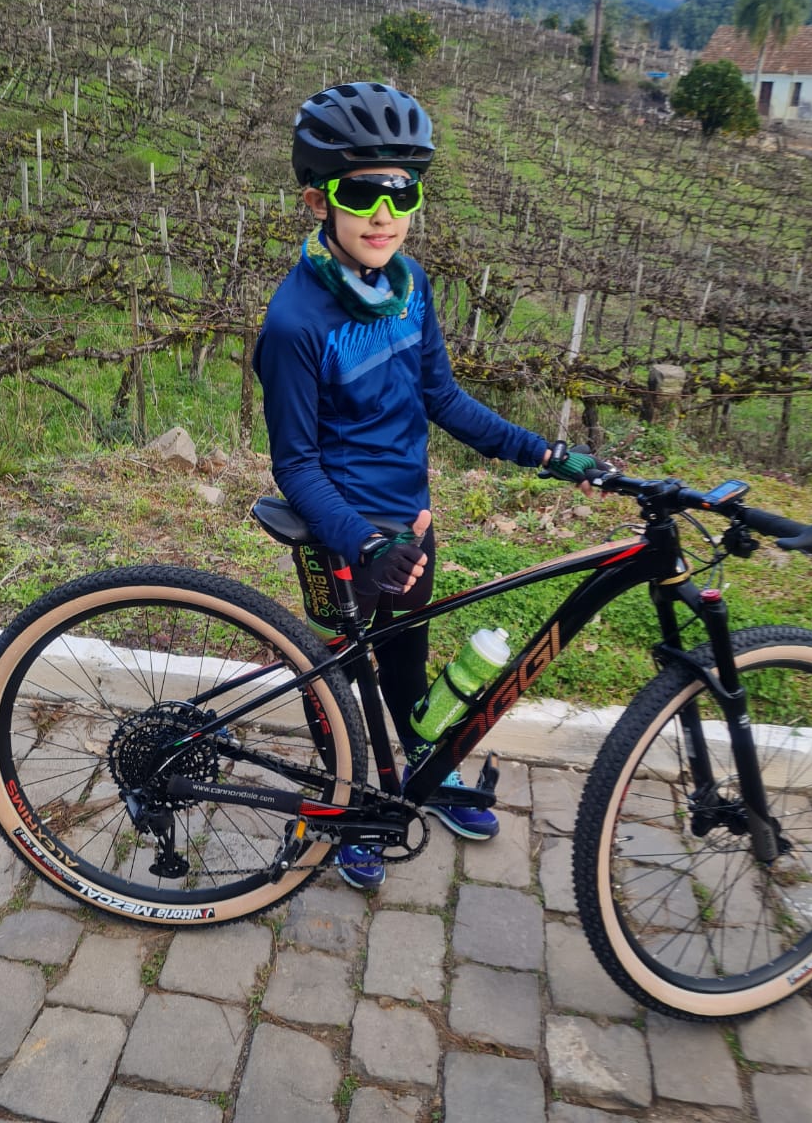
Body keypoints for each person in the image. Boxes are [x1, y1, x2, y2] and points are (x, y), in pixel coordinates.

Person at [254, 81, 598, 890]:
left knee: (409, 664)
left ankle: (421, 776)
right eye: (361, 193)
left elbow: (442, 398)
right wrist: (363, 541)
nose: (384, 214)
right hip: (341, 538)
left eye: (402, 193)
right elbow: (295, 464)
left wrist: (548, 455)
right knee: (337, 685)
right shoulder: (296, 323)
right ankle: (347, 805)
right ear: (318, 200)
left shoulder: (409, 287)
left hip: (410, 524)